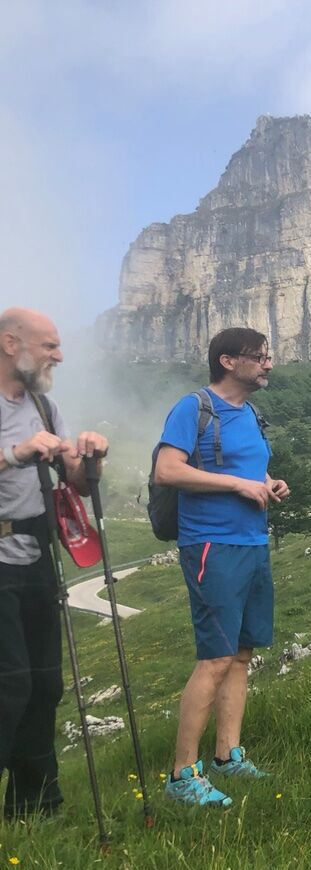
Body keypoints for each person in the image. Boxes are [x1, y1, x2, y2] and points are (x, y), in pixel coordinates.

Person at [155, 327, 288, 807]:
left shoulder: (250, 413)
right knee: (214, 658)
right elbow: (166, 470)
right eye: (260, 357)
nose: (268, 364)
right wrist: (236, 486)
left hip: (252, 541)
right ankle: (181, 775)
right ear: (229, 361)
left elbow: (248, 471)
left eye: (269, 356)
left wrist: (269, 483)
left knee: (241, 653)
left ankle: (228, 756)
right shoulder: (193, 407)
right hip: (212, 544)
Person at [0, 308, 109, 820]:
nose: (60, 356)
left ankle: (36, 809)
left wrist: (90, 456)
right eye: (49, 346)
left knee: (45, 683)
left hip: (37, 558)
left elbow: (77, 483)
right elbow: (21, 457)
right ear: (10, 343)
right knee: (10, 683)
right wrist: (16, 453)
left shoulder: (44, 406)